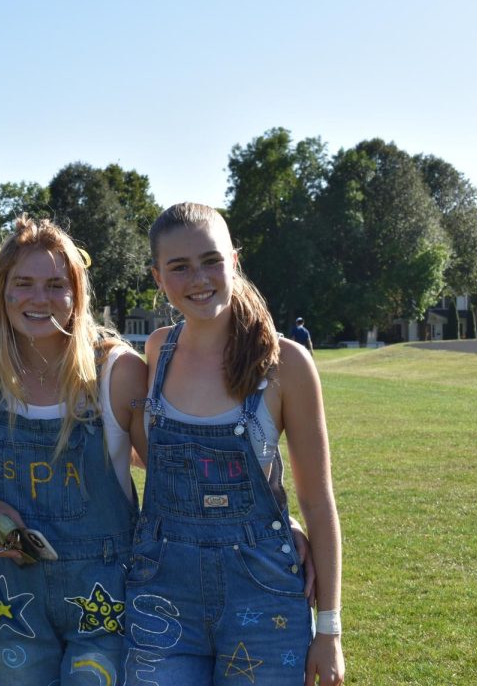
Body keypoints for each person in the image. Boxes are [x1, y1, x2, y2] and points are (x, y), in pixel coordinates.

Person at [126, 202, 344, 685]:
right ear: (158, 277)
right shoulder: (156, 350)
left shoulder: (286, 362)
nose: (198, 278)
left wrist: (329, 628)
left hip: (265, 596)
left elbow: (317, 499)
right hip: (162, 591)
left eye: (211, 260)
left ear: (234, 260)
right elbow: (155, 458)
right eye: (179, 267)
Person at [0, 215, 149, 685]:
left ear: (76, 294)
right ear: (2, 291)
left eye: (54, 285)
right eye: (23, 283)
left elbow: (170, 472)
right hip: (12, 595)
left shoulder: (115, 370)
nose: (38, 299)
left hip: (106, 593)